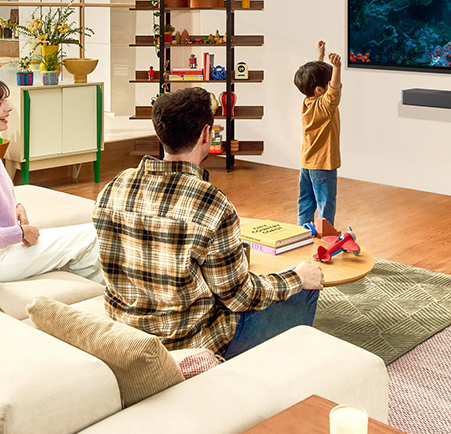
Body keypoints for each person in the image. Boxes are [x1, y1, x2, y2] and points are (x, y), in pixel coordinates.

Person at [94, 87, 325, 358]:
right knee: (304, 285)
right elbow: (240, 298)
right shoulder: (212, 203)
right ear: (206, 134)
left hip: (127, 336)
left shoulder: (115, 187)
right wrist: (296, 277)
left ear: (159, 133)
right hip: (191, 346)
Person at [0, 76, 102, 284]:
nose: (8, 108)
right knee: (92, 236)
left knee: (87, 239)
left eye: (5, 101)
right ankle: (99, 293)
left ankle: (88, 291)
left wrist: (15, 206)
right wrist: (19, 232)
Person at [292, 41, 342, 227]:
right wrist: (337, 67)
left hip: (307, 163)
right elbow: (334, 91)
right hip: (323, 164)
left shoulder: (308, 101)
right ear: (321, 90)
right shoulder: (324, 106)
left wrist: (320, 55)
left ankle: (300, 231)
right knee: (325, 204)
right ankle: (325, 235)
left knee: (305, 202)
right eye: (327, 85)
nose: (331, 86)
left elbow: (313, 77)